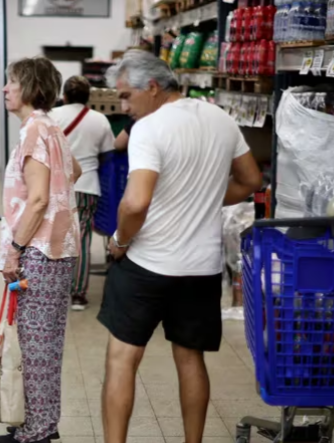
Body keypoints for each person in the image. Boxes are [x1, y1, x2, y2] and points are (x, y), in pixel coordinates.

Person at [98, 50, 262, 443]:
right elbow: (250, 180)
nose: (124, 107)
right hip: (200, 268)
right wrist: (206, 198)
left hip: (146, 264)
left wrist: (119, 240)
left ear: (152, 87)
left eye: (126, 96)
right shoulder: (221, 119)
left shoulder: (148, 129)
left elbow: (135, 203)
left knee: (122, 358)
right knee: (190, 359)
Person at [0, 57, 82, 443]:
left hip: (40, 251)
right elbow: (75, 170)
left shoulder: (35, 130)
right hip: (58, 248)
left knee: (37, 347)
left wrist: (15, 249)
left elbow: (38, 199)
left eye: (11, 81)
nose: (5, 88)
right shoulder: (51, 126)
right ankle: (40, 422)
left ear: (29, 87)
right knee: (43, 344)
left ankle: (38, 431)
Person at [50, 75, 115, 310]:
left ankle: (54, 290)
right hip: (87, 186)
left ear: (64, 96)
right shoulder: (100, 120)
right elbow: (108, 153)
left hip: (56, 186)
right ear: (89, 97)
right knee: (82, 240)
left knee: (54, 238)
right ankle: (78, 294)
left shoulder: (52, 116)